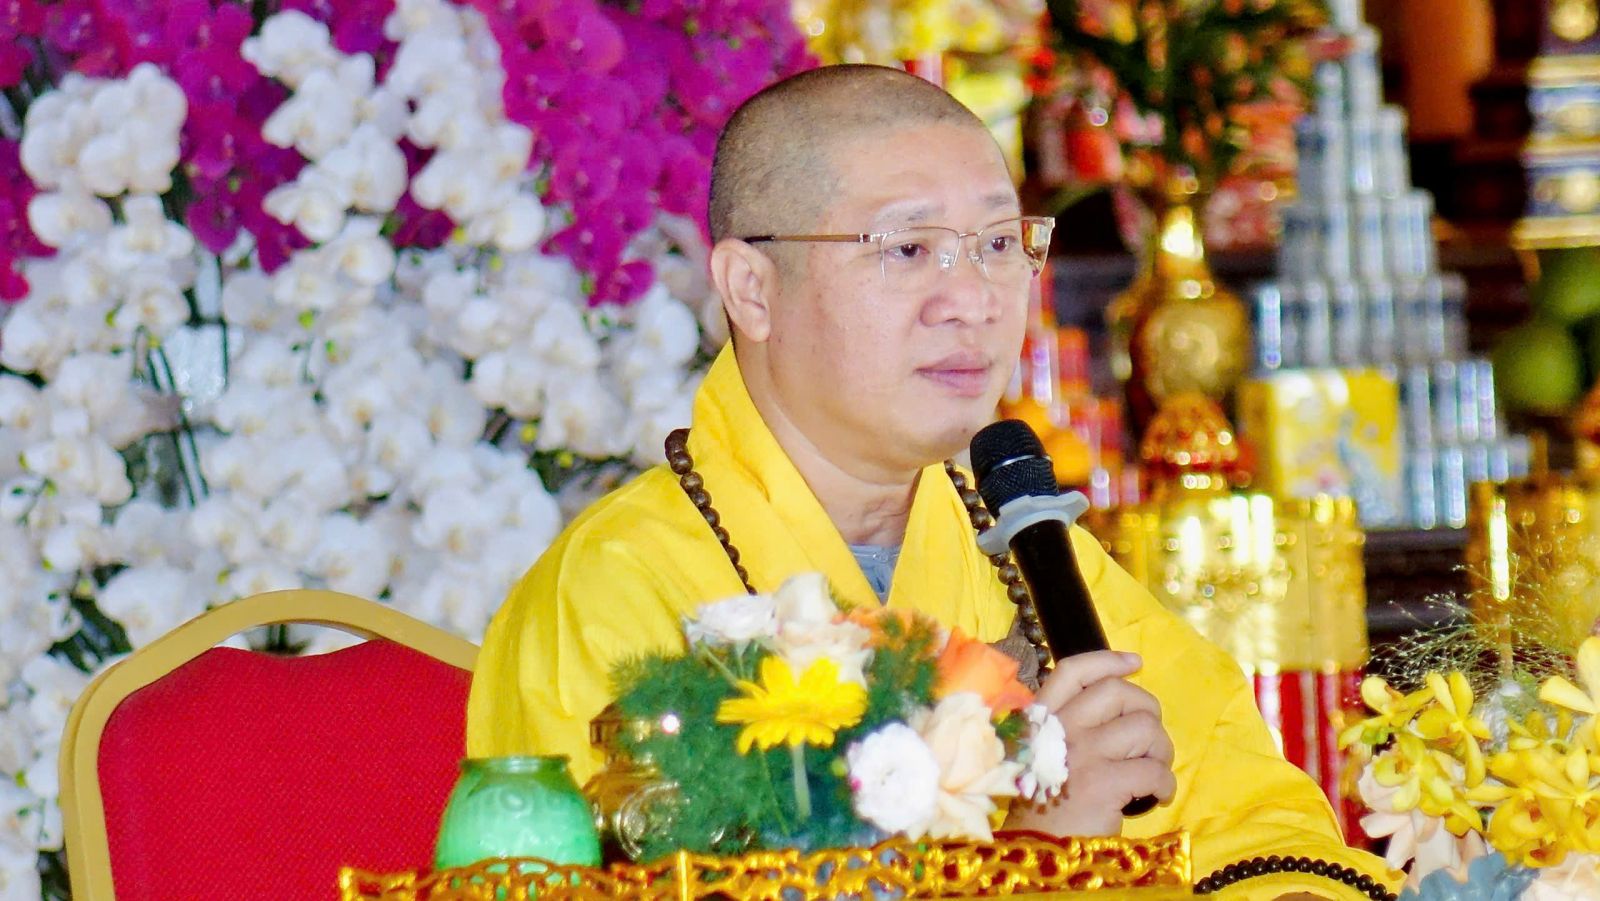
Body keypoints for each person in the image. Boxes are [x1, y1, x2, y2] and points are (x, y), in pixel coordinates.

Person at [468, 64, 1399, 900]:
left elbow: (1257, 823)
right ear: (752, 288)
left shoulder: (1036, 566)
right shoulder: (614, 595)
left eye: (998, 244)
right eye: (908, 249)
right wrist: (1033, 857)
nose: (974, 299)